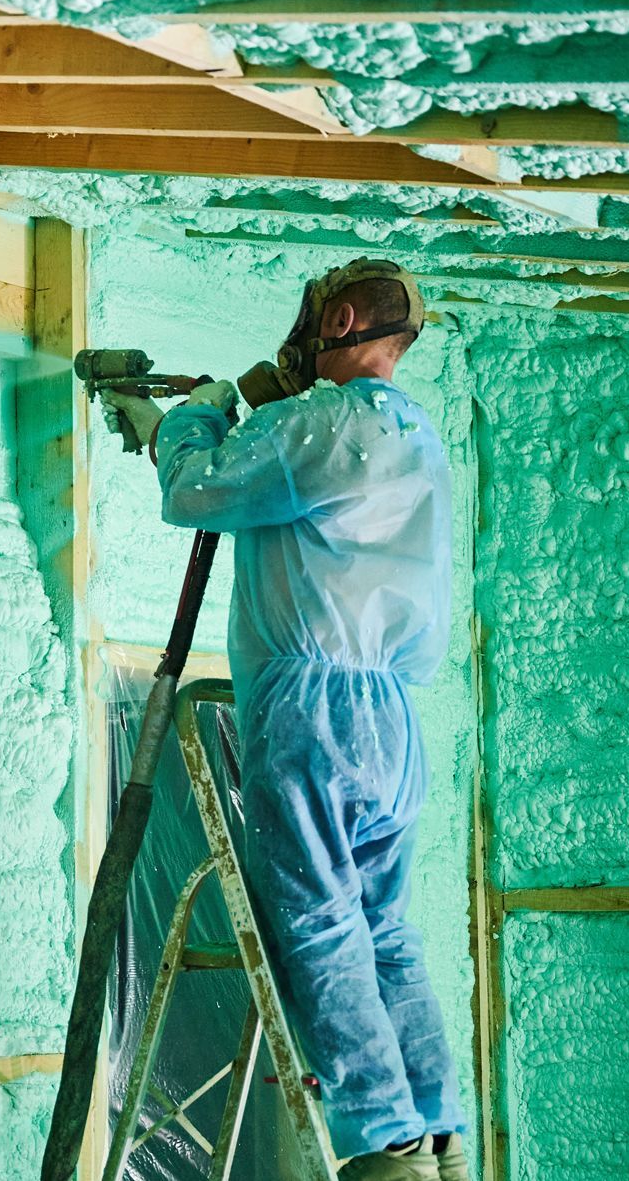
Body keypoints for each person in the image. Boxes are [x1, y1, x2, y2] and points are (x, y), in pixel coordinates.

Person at [105, 260, 467, 1181]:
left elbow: (197, 490)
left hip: (313, 714)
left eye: (311, 322)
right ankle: (439, 1134)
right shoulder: (419, 439)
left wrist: (197, 416)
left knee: (315, 923)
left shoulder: (320, 424)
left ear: (340, 318)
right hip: (393, 723)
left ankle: (385, 1143)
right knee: (385, 928)